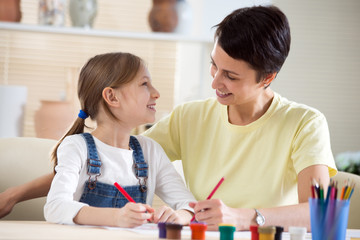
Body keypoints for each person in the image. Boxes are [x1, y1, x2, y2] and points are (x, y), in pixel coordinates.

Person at [0, 5, 336, 231]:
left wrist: (244, 215)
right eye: (213, 65)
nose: (215, 82)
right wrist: (15, 195)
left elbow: (320, 212)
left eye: (231, 76)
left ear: (267, 78)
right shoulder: (190, 117)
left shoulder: (304, 123)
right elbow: (102, 159)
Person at [42, 52, 195, 227]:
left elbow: (189, 206)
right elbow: (55, 207)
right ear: (112, 97)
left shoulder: (151, 151)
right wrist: (116, 217)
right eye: (144, 84)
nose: (156, 93)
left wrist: (178, 216)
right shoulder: (76, 147)